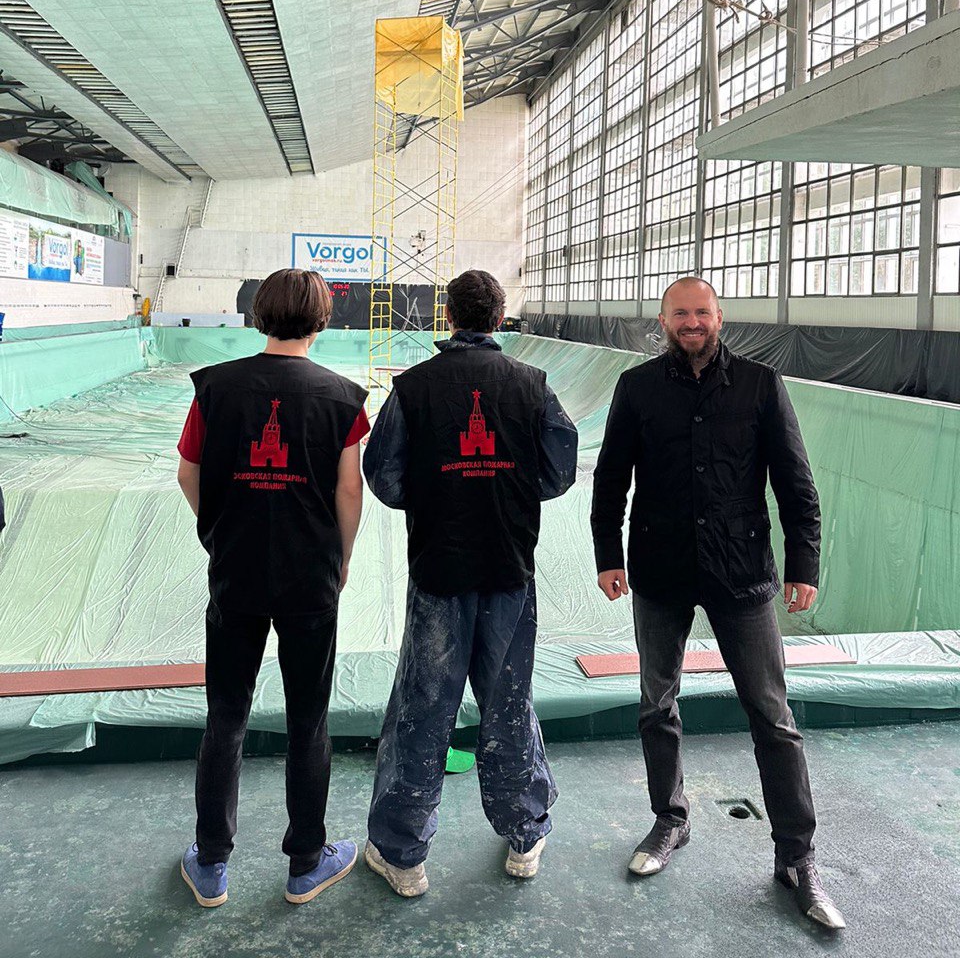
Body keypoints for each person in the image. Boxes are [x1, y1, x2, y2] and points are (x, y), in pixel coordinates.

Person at [591, 276, 845, 931]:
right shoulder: (637, 388)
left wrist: (804, 563)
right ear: (663, 321)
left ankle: (796, 856)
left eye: (701, 312)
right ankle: (669, 820)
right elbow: (611, 477)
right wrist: (608, 554)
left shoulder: (761, 385)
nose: (692, 322)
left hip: (742, 573)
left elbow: (795, 482)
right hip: (661, 571)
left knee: (772, 716)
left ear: (719, 316)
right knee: (657, 704)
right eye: (680, 313)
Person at [362, 269, 578, 896]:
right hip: (508, 566)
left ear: (449, 316)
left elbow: (384, 476)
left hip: (440, 568)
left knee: (424, 708)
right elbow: (558, 470)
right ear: (500, 317)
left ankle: (404, 855)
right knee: (508, 701)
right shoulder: (532, 384)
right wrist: (502, 492)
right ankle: (524, 836)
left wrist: (442, 495)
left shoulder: (413, 387)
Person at [176, 268, 368, 908]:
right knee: (308, 721)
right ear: (322, 319)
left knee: (226, 716)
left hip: (236, 571)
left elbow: (188, 472)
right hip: (310, 575)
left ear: (259, 314)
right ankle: (306, 862)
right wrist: (341, 556)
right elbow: (349, 489)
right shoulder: (344, 398)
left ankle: (211, 860)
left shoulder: (214, 388)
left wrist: (218, 533)